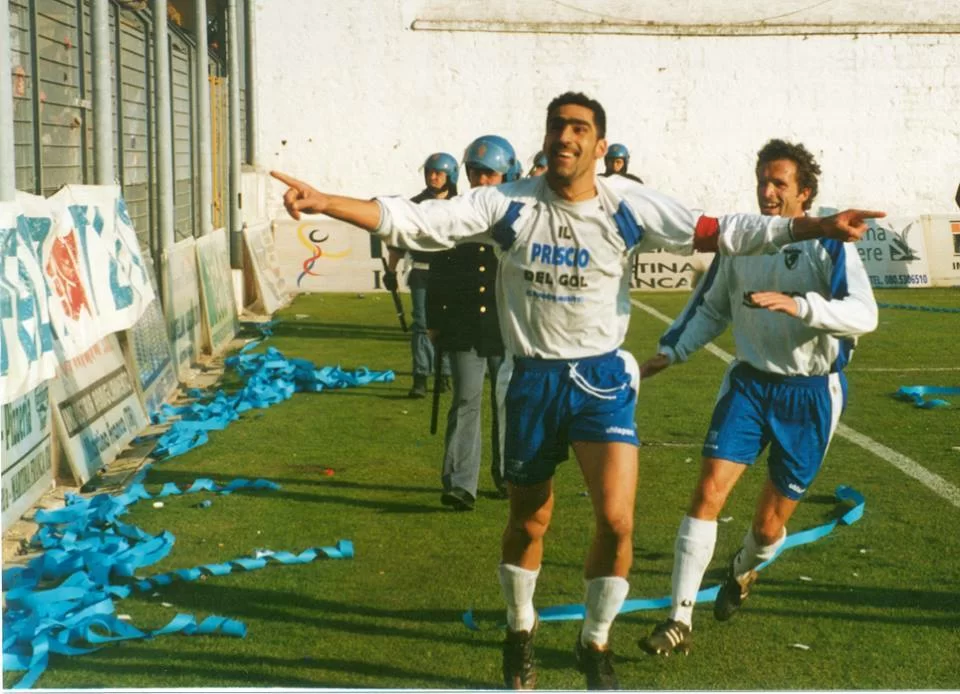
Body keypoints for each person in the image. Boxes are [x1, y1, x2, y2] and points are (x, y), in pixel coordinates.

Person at [271, 91, 883, 690]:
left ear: (598, 144)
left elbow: (720, 229)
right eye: (557, 126)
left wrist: (818, 226)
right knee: (528, 521)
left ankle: (595, 642)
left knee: (617, 522)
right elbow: (414, 220)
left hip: (601, 381)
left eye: (579, 129)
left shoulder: (627, 204)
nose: (566, 137)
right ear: (545, 138)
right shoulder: (506, 205)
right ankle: (520, 629)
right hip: (533, 380)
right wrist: (326, 202)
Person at [637, 139, 879, 657]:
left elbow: (865, 315)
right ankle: (679, 619)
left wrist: (801, 306)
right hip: (748, 385)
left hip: (810, 395)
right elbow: (710, 308)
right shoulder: (742, 240)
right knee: (708, 491)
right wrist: (672, 350)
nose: (767, 192)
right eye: (762, 181)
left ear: (804, 193)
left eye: (779, 183)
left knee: (769, 529)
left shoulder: (831, 244)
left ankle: (744, 567)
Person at [429, 135, 518, 511]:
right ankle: (460, 483)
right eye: (476, 173)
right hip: (464, 327)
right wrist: (435, 321)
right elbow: (438, 273)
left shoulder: (520, 216)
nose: (482, 180)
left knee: (506, 402)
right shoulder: (456, 213)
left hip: (505, 327)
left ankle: (508, 475)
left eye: (490, 174)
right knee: (465, 400)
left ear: (506, 176)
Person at [382, 152, 457, 398]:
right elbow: (398, 243)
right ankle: (421, 377)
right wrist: (391, 271)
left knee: (449, 324)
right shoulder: (414, 205)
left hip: (452, 275)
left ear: (450, 176)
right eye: (429, 173)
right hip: (422, 273)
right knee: (422, 325)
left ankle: (444, 374)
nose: (433, 177)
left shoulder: (460, 205)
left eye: (438, 173)